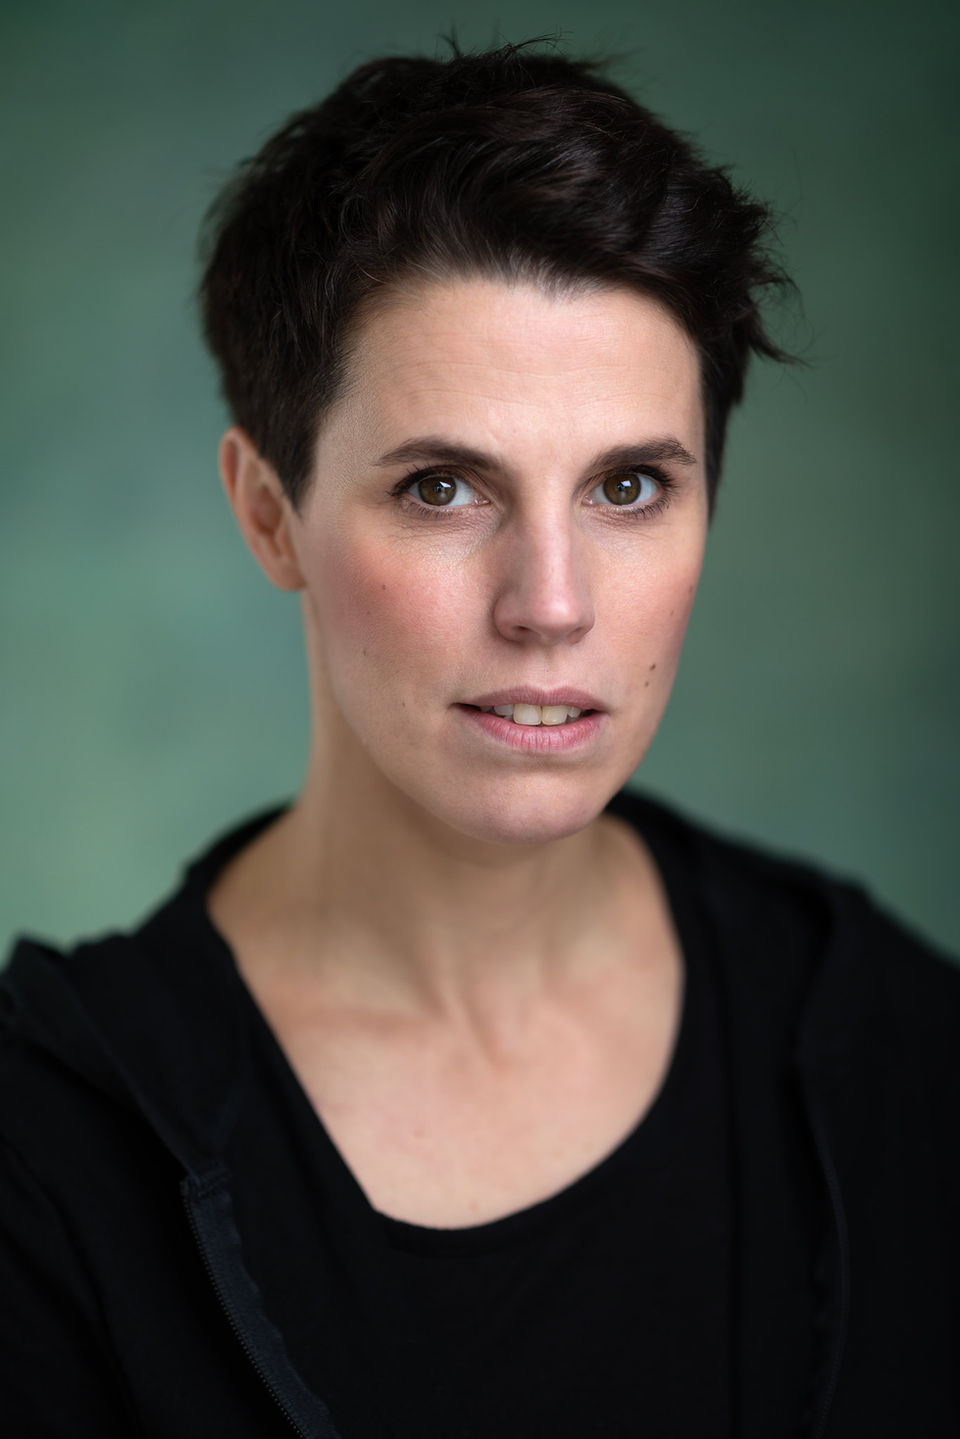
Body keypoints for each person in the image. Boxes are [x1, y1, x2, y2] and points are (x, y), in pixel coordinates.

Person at [1, 39, 958, 1439]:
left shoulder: (895, 1050)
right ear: (271, 513)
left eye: (630, 485)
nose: (552, 607)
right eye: (445, 487)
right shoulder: (50, 1158)